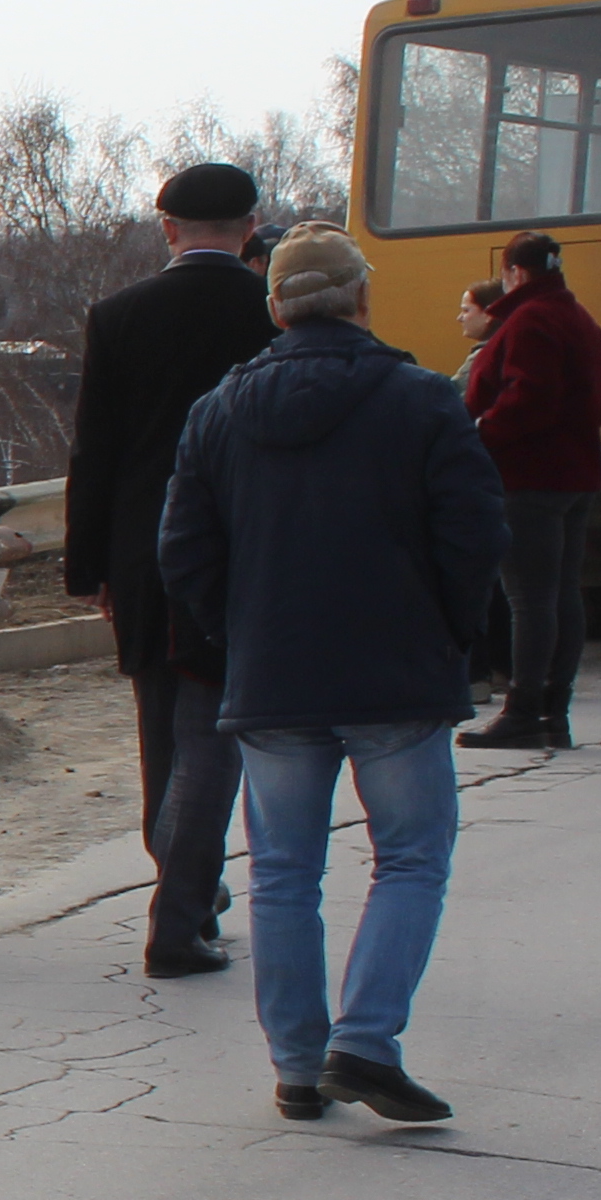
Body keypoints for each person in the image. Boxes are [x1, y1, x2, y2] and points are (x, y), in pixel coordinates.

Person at [157, 228, 509, 1124]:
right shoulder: (424, 399)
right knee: (411, 858)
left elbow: (185, 551)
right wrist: (449, 634)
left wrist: (238, 635)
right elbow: (474, 535)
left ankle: (299, 1064)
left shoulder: (217, 412)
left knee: (281, 874)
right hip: (397, 669)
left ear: (275, 307)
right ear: (362, 299)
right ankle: (366, 1041)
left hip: (272, 672)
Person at [60, 160, 281, 980]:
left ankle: (184, 880)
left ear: (167, 229)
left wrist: (89, 566)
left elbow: (96, 449)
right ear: (252, 226)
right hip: (241, 544)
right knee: (215, 728)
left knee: (161, 729)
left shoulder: (118, 315)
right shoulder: (268, 314)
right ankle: (184, 906)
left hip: (143, 545)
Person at [456, 230, 601, 750]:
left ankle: (523, 710)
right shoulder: (579, 318)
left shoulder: (528, 321)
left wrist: (481, 430)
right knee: (563, 593)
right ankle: (555, 710)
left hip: (527, 477)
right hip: (577, 474)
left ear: (515, 274)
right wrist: (578, 426)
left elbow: (529, 396)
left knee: (528, 597)